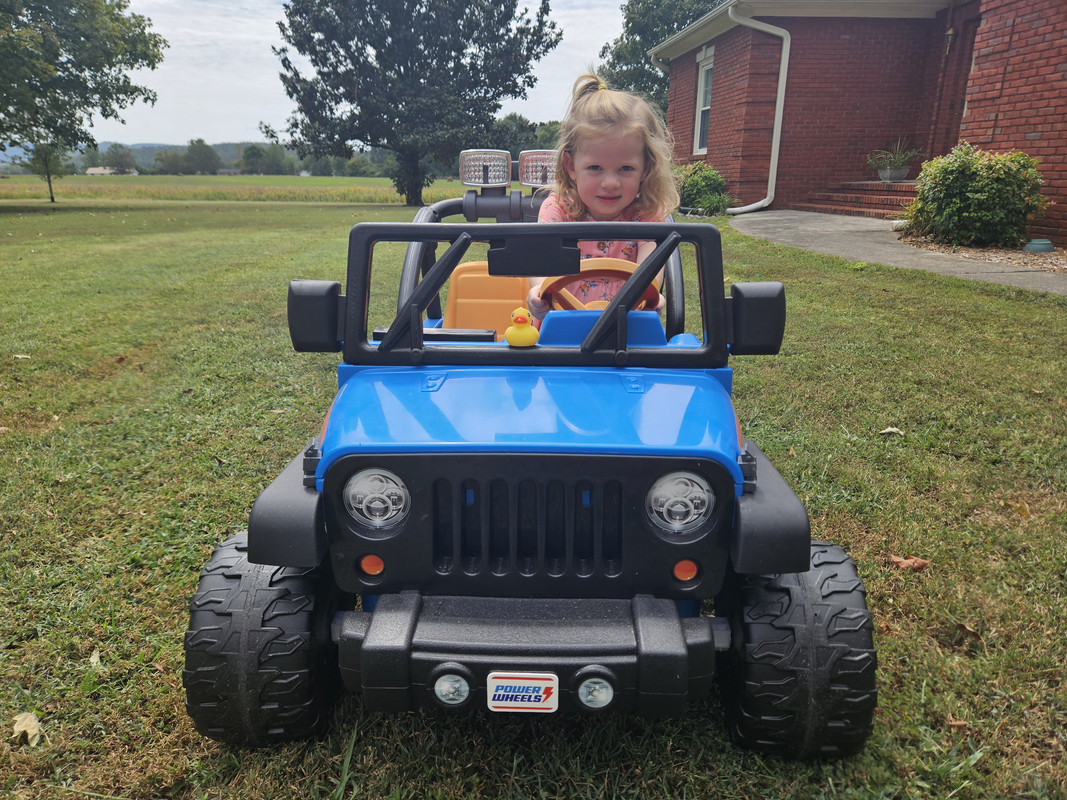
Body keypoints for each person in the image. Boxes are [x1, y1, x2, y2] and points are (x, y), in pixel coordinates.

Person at [527, 73, 680, 322]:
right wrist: (538, 294)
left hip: (625, 335)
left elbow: (649, 276)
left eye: (626, 168)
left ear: (646, 169)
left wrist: (651, 296)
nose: (610, 183)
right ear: (571, 166)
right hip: (558, 335)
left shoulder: (648, 216)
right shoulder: (558, 209)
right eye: (596, 168)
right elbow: (541, 265)